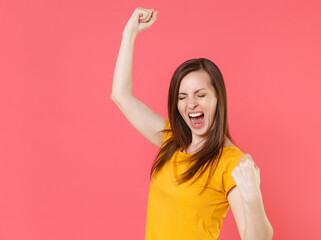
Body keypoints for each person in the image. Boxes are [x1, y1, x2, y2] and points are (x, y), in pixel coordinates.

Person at [111, 7, 273, 240]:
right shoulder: (171, 139)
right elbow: (120, 96)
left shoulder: (230, 163)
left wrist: (253, 197)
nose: (191, 105)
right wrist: (130, 33)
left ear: (218, 98)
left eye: (200, 95)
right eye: (182, 97)